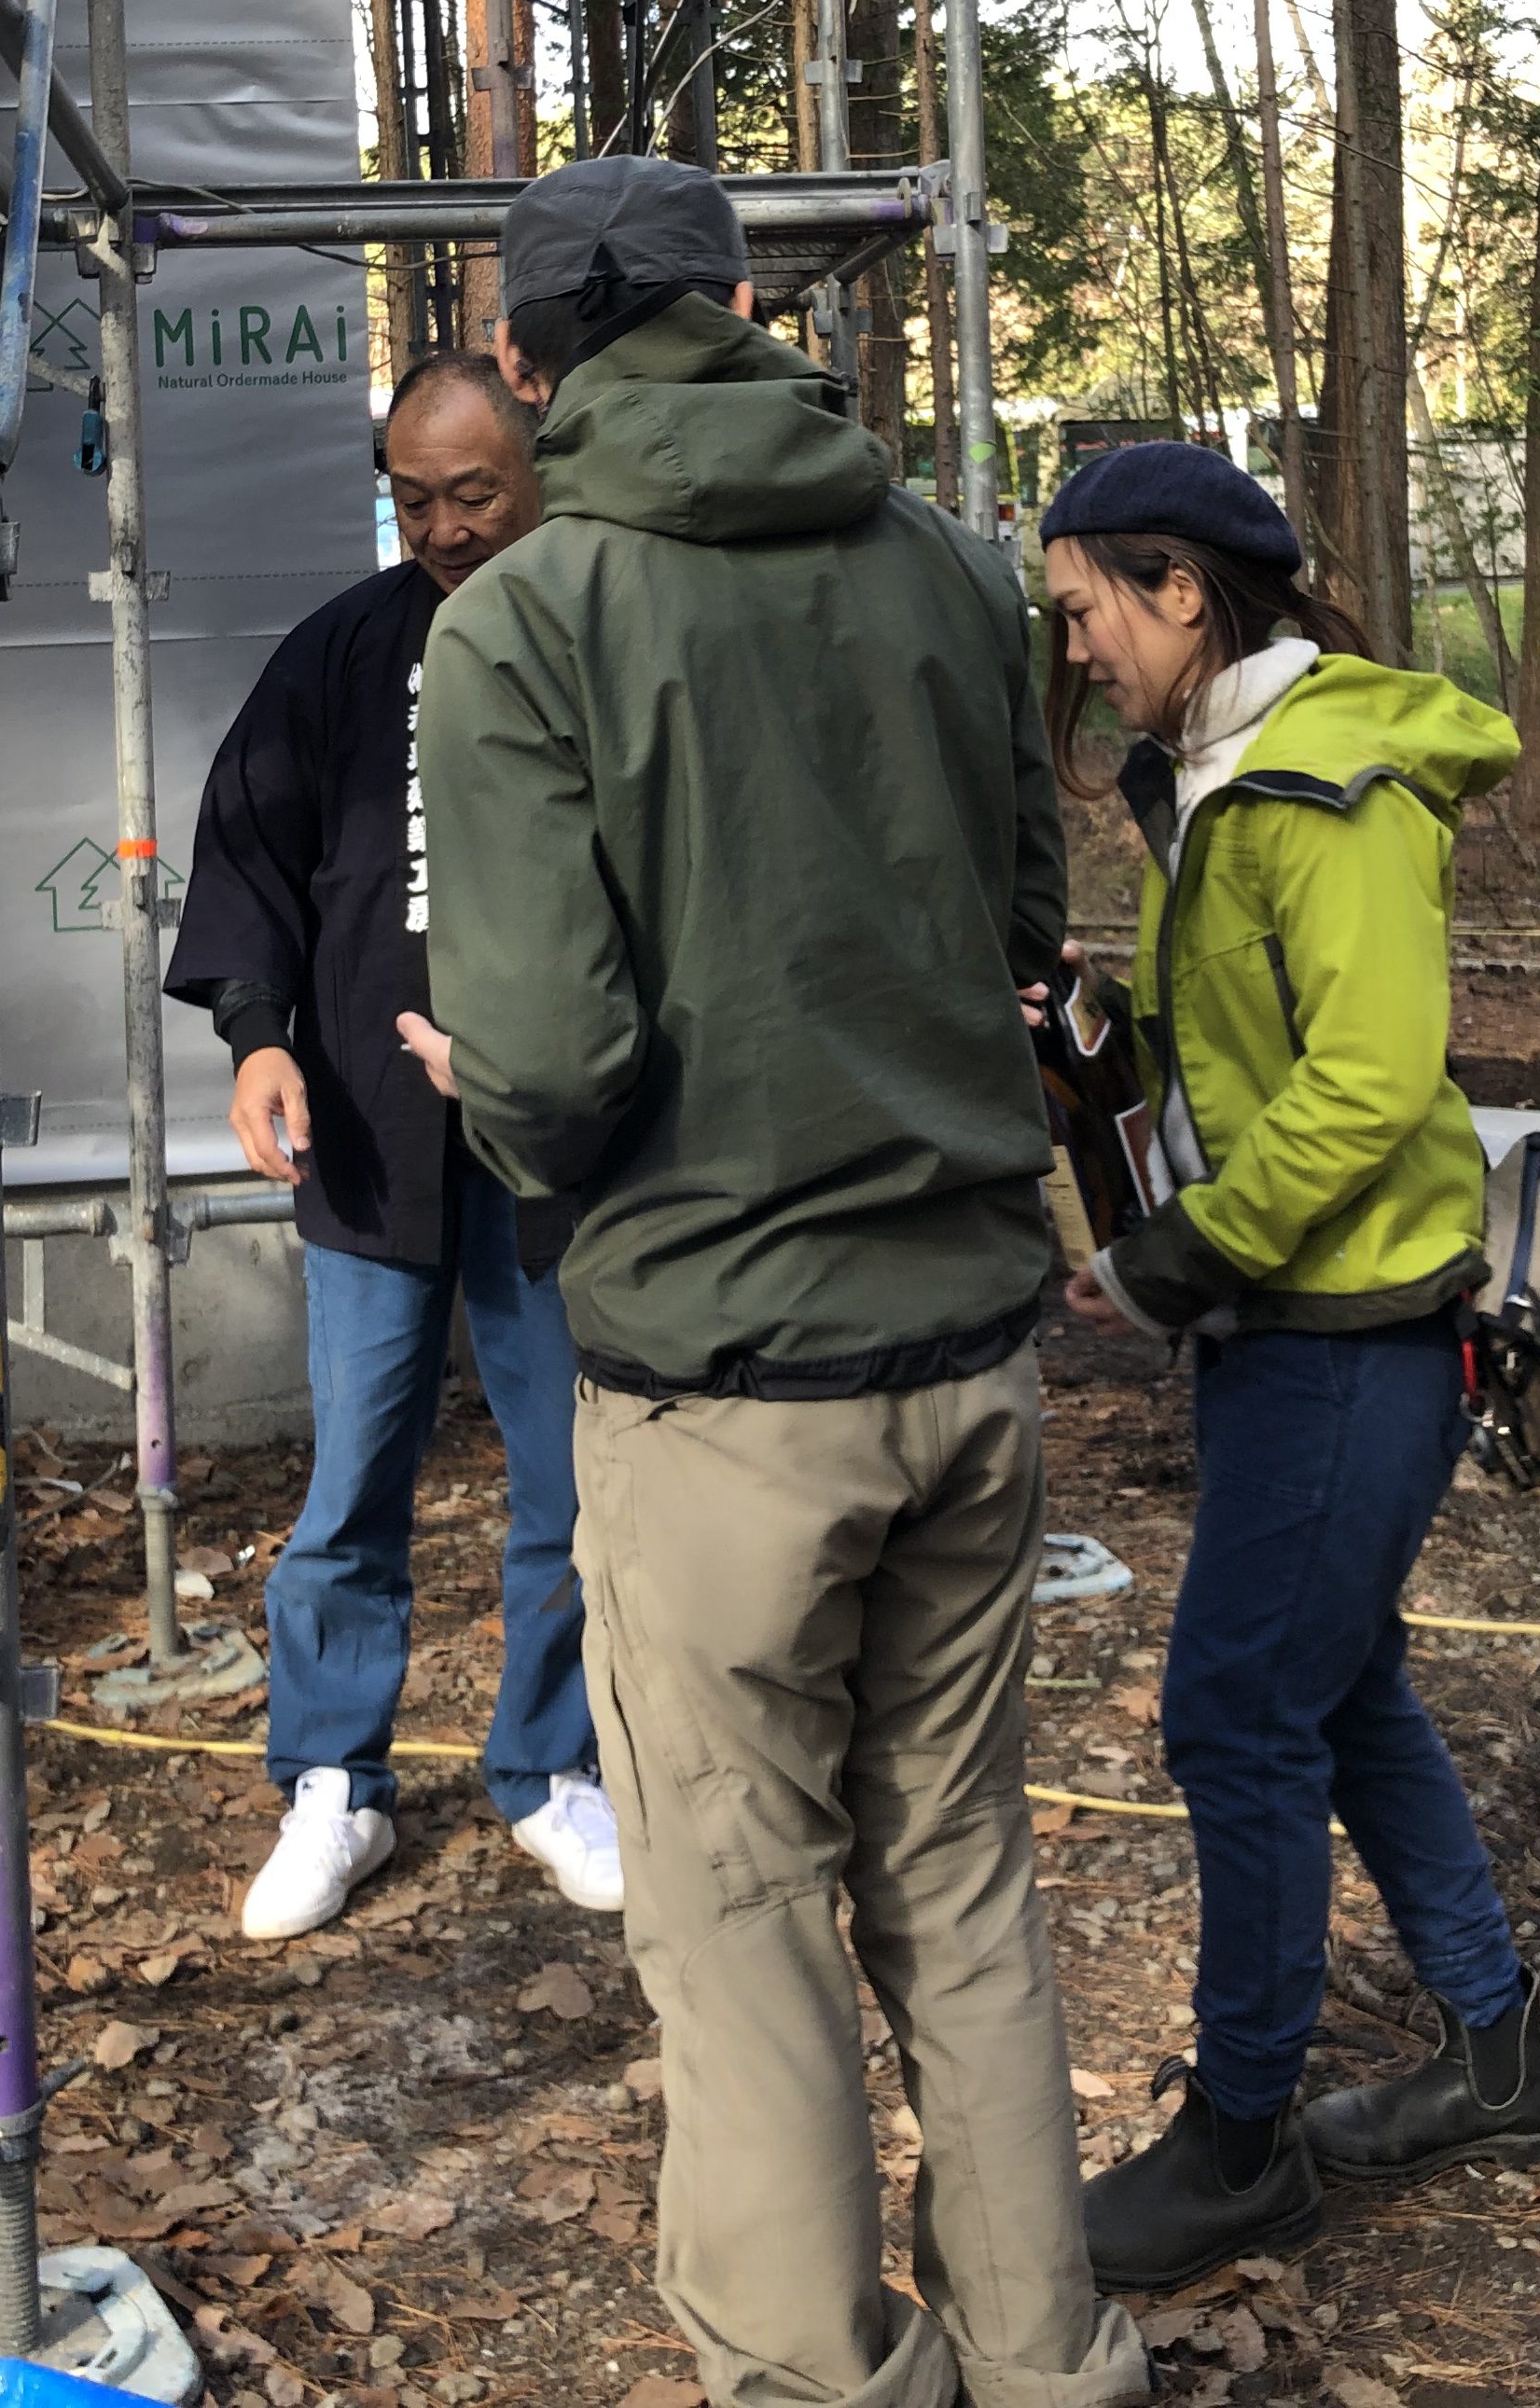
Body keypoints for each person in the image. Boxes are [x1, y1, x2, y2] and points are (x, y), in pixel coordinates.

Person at [398, 154, 1149, 2408]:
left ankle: (826, 2385)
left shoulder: (517, 625)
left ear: (526, 371)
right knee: (965, 1884)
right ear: (741, 300)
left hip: (721, 1380)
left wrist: (496, 1096)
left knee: (736, 1935)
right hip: (966, 1349)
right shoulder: (942, 560)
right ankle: (1047, 2363)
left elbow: (543, 1062)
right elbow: (1030, 920)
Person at [1041, 441, 1540, 2292]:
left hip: (1352, 1335)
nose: (1080, 650)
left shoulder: (1325, 789)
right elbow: (1256, 1056)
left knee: (1235, 1717)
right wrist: (1099, 1047)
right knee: (1339, 1698)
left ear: (1183, 590)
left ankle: (1243, 2141)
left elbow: (1366, 1075)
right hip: (1299, 1322)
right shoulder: (1212, 779)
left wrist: (1193, 1249)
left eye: (1088, 610)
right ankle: (1502, 2061)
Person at [165, 352, 621, 1943]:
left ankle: (555, 1766)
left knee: (570, 1487)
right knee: (351, 1484)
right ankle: (335, 1783)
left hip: (552, 1146)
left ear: (538, 470)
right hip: (367, 1133)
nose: (441, 529)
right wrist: (258, 1034)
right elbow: (249, 859)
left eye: (472, 494)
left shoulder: (599, 633)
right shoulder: (343, 652)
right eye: (413, 499)